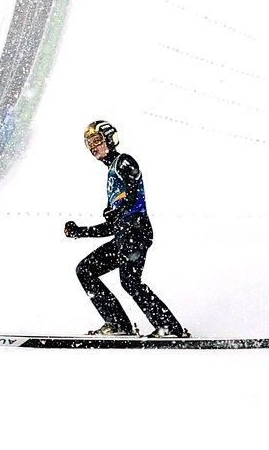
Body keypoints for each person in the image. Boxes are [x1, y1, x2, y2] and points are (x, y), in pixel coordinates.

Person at [63, 119, 188, 339]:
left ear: (111, 139)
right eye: (88, 143)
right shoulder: (111, 173)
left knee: (130, 281)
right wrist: (80, 231)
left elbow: (132, 191)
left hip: (136, 233)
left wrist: (119, 211)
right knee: (86, 270)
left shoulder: (124, 162)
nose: (93, 147)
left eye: (97, 140)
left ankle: (170, 328)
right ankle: (118, 325)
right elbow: (111, 226)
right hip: (124, 236)